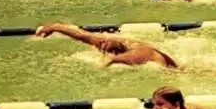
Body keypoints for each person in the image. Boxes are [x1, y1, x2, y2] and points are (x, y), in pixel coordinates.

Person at [36, 23, 178, 68]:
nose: (102, 42)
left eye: (104, 43)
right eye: (103, 45)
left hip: (176, 73)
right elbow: (81, 35)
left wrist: (107, 62)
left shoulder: (140, 51)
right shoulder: (111, 44)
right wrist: (55, 27)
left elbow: (117, 59)